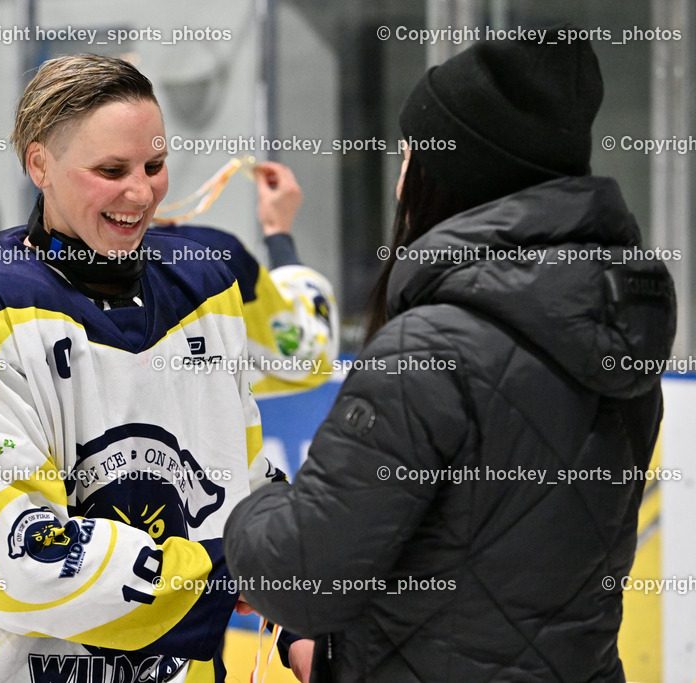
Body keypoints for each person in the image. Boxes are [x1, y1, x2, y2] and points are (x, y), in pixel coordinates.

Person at [224, 28, 676, 682]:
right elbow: (489, 586)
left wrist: (245, 502)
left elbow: (301, 576)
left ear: (453, 175)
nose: (399, 178)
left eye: (409, 156)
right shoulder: (618, 337)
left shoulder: (428, 352)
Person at [0, 54, 336, 683]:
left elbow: (241, 479)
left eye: (154, 167)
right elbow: (24, 568)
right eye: (110, 170)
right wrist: (224, 572)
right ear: (39, 163)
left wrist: (295, 609)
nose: (140, 193)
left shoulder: (205, 282)